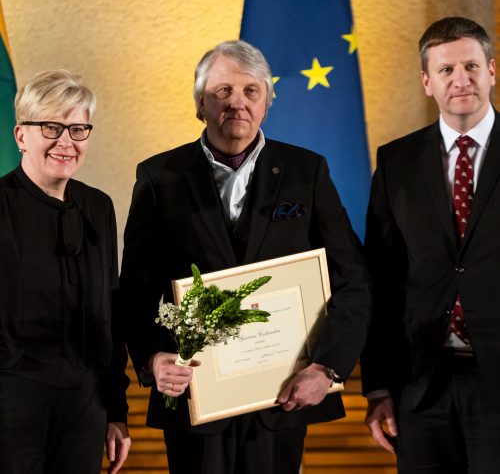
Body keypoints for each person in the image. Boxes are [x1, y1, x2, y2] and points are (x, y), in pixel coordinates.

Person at [120, 40, 372, 474]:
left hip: (282, 396)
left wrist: (328, 368)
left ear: (268, 102)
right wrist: (152, 359)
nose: (237, 103)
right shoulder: (159, 177)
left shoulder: (306, 172)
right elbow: (136, 289)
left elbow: (352, 279)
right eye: (222, 91)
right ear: (200, 103)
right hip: (194, 396)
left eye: (251, 91)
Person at [361, 16, 500, 472]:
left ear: (492, 71)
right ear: (427, 81)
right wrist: (378, 386)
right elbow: (379, 279)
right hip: (419, 384)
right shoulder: (396, 161)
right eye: (446, 70)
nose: (461, 80)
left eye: (471, 67)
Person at [0, 69, 131, 474]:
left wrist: (115, 409)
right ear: (22, 136)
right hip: (9, 402)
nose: (66, 142)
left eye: (77, 129)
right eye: (51, 127)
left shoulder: (98, 207)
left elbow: (111, 311)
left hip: (84, 403)